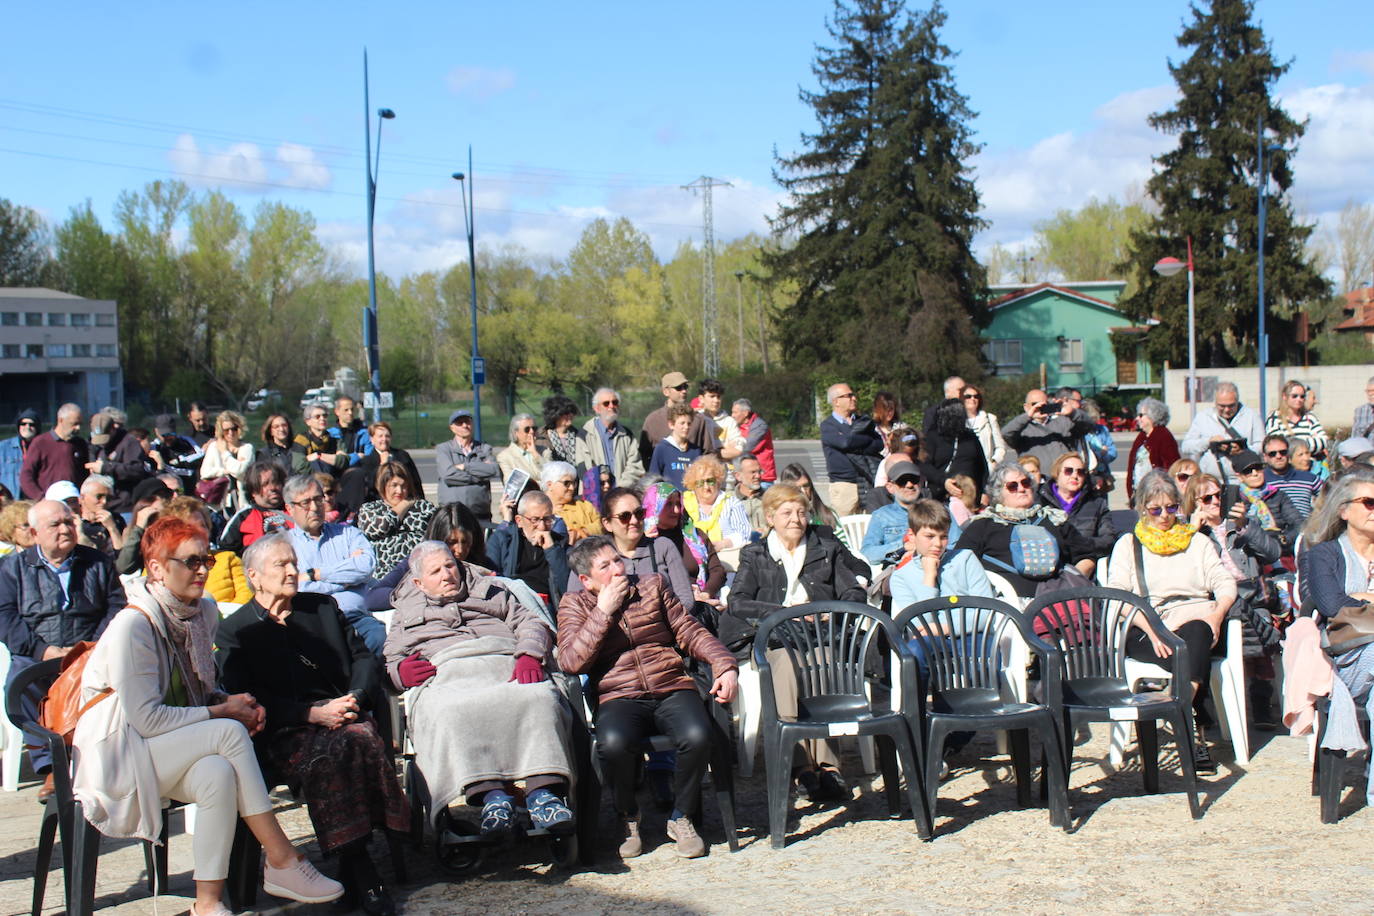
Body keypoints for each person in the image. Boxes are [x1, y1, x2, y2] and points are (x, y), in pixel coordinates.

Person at [72, 518, 344, 916]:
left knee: (217, 771)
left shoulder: (201, 614)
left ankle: (208, 903)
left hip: (168, 747)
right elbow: (146, 720)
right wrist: (223, 712)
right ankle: (283, 858)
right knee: (228, 733)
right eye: (190, 561)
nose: (202, 569)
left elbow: (197, 692)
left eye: (207, 559)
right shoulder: (135, 625)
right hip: (119, 754)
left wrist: (233, 701)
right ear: (157, 568)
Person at [217, 534, 409, 916]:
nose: (292, 571)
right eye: (281, 565)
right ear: (254, 576)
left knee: (356, 736)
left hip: (344, 711)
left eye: (294, 562)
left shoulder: (321, 607)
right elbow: (246, 697)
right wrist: (311, 715)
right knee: (339, 749)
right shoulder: (236, 630)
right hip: (284, 728)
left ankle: (353, 864)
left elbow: (364, 659)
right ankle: (363, 870)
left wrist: (354, 697)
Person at [559, 535, 738, 859]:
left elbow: (689, 630)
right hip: (618, 693)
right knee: (612, 743)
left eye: (617, 559)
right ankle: (628, 815)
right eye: (606, 565)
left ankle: (681, 816)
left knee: (698, 735)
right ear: (586, 580)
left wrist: (724, 664)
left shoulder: (652, 585)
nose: (618, 568)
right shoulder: (575, 604)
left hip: (669, 684)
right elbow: (571, 661)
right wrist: (603, 612)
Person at [386, 540, 576, 839]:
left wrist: (528, 653)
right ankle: (494, 800)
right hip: (450, 672)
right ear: (419, 583)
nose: (447, 574)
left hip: (502, 659)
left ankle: (544, 796)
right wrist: (401, 671)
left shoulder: (490, 590)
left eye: (450, 565)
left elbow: (530, 622)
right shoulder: (405, 611)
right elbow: (391, 659)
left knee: (539, 697)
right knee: (449, 711)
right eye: (436, 571)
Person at [723, 484, 864, 800]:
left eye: (801, 512)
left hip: (820, 635)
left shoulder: (825, 547)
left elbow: (853, 591)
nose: (796, 519)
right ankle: (799, 766)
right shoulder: (755, 554)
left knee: (825, 662)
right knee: (785, 667)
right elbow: (738, 601)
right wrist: (782, 613)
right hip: (777, 637)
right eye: (787, 512)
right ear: (770, 517)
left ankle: (829, 766)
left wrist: (829, 613)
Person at [1105, 470, 1238, 773]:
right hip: (1147, 625)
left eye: (1171, 508)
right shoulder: (1129, 544)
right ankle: (1193, 725)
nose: (1164, 516)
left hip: (1200, 622)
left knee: (1197, 631)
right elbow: (1117, 596)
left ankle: (1179, 707)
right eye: (1155, 509)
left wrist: (1218, 615)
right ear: (1142, 509)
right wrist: (1150, 629)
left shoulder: (1197, 542)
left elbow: (1223, 581)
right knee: (1191, 644)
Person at [0, 498, 126, 794]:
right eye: (55, 524)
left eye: (69, 522)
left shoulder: (97, 562)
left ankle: (99, 760)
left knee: (118, 679)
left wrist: (89, 648)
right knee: (21, 681)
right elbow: (4, 616)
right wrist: (42, 650)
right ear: (34, 534)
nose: (65, 529)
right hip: (38, 653)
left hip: (89, 650)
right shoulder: (12, 568)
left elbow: (116, 607)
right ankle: (53, 765)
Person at [1294, 467, 1374, 803]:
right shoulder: (1324, 554)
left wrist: (1363, 600)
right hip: (1343, 660)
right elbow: (1330, 603)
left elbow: (1347, 603)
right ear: (1344, 510)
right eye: (1369, 502)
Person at [1183, 472, 1284, 725]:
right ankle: (1204, 705)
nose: (1216, 502)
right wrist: (1193, 534)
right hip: (1216, 602)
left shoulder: (1242, 525)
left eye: (1220, 495)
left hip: (1253, 598)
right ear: (1194, 503)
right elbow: (1185, 574)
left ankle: (1260, 701)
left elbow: (1273, 554)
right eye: (1207, 498)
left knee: (1257, 614)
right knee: (1211, 629)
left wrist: (1244, 528)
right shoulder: (1189, 534)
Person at [954, 461, 1094, 598]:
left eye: (1026, 483)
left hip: (1057, 602)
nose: (1021, 489)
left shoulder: (1054, 519)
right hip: (1004, 605)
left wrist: (1070, 586)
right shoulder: (983, 525)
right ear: (998, 492)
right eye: (1012, 486)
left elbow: (1086, 557)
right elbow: (959, 564)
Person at [283, 474, 381, 655]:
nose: (314, 507)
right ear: (289, 508)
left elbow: (365, 567)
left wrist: (314, 574)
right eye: (306, 502)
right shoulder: (284, 545)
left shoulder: (348, 534)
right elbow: (298, 588)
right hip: (312, 625)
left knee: (379, 637)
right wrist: (348, 578)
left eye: (318, 499)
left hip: (356, 618)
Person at [565, 487, 696, 612]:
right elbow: (574, 607)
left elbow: (686, 600)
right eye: (625, 516)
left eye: (639, 513)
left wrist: (655, 621)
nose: (634, 521)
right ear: (607, 523)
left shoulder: (663, 547)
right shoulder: (590, 554)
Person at [366, 502, 492, 610]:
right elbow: (372, 598)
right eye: (451, 542)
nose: (459, 550)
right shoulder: (417, 562)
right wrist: (428, 592)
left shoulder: (484, 564)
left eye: (465, 542)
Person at [890, 498, 994, 610]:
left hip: (973, 628)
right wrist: (929, 577)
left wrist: (944, 627)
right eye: (929, 536)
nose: (938, 544)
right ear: (911, 535)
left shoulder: (965, 559)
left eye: (944, 537)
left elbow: (985, 610)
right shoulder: (901, 578)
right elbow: (919, 623)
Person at [642, 481, 726, 612]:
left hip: (704, 600)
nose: (676, 510)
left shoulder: (695, 536)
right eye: (668, 504)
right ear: (654, 506)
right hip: (668, 607)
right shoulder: (645, 542)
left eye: (678, 503)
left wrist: (705, 594)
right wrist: (689, 597)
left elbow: (717, 570)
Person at [486, 490, 571, 610]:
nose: (542, 527)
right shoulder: (502, 540)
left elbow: (568, 588)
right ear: (519, 521)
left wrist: (552, 551)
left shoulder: (560, 545)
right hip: (513, 606)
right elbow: (491, 581)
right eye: (535, 520)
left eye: (547, 520)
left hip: (549, 607)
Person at [862, 460, 957, 565]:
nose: (909, 485)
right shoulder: (881, 516)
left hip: (938, 566)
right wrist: (903, 545)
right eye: (902, 481)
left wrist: (928, 549)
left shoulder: (940, 511)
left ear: (921, 482)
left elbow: (957, 544)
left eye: (914, 479)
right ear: (890, 487)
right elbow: (867, 553)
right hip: (898, 571)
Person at [1039, 452, 1116, 573]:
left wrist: (1081, 545)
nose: (1075, 476)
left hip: (1083, 566)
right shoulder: (1039, 501)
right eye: (1069, 471)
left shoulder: (1097, 504)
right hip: (1046, 564)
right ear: (1057, 474)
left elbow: (1108, 541)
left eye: (1080, 472)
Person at [357, 461, 437, 577]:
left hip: (418, 573)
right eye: (394, 485)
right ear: (382, 485)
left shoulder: (424, 507)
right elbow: (380, 527)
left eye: (403, 486)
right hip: (383, 576)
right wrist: (403, 505)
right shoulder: (370, 509)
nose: (399, 491)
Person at [819, 382, 885, 516]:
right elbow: (844, 443)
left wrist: (857, 442)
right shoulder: (828, 426)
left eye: (853, 395)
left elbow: (879, 444)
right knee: (846, 530)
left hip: (867, 482)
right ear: (836, 401)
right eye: (849, 396)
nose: (854, 398)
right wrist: (865, 441)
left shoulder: (863, 422)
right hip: (844, 486)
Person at [337, 420, 421, 522]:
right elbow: (369, 485)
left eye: (387, 436)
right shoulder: (366, 462)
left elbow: (415, 481)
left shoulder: (403, 456)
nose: (384, 439)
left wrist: (419, 501)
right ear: (372, 440)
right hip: (380, 508)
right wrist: (382, 465)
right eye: (380, 436)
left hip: (405, 504)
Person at [1000, 388, 1095, 472]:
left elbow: (1088, 425)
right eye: (1035, 404)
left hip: (1063, 480)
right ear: (1026, 407)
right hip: (1035, 481)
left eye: (1044, 404)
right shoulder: (1022, 429)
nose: (1039, 407)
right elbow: (1006, 433)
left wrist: (1073, 413)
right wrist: (1028, 416)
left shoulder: (1063, 422)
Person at [638, 371, 719, 467]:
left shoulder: (698, 419)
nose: (684, 391)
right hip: (662, 480)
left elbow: (708, 453)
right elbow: (644, 455)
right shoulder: (653, 420)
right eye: (679, 388)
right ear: (666, 391)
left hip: (692, 479)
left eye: (685, 387)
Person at [1230, 450, 1302, 555]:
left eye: (1258, 468)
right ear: (1239, 476)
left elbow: (1299, 523)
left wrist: (1284, 539)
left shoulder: (1277, 495)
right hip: (1253, 553)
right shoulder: (1236, 501)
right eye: (1248, 471)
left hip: (1282, 549)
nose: (1255, 474)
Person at [435, 408, 500, 521]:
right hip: (452, 515)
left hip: (480, 513)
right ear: (452, 428)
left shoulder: (484, 448)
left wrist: (465, 467)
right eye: (460, 423)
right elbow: (448, 475)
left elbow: (493, 470)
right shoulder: (444, 449)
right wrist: (479, 477)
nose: (465, 425)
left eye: (467, 421)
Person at [219, 460, 294, 554]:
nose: (273, 488)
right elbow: (225, 551)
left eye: (276, 482)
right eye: (265, 484)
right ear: (253, 491)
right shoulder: (243, 516)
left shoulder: (295, 508)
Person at [84, 408, 152, 513]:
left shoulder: (128, 442)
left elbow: (137, 469)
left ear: (113, 429)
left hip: (124, 506)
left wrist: (105, 468)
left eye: (105, 438)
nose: (102, 443)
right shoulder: (96, 445)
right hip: (103, 505)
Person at [681, 454, 752, 555]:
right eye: (700, 483)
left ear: (718, 481)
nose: (706, 487)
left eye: (710, 481)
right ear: (693, 484)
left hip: (726, 559)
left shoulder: (731, 503)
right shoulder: (683, 502)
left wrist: (722, 544)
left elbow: (744, 534)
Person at [19, 403, 88, 500]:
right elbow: (26, 476)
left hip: (74, 503)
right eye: (74, 424)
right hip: (48, 504)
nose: (78, 428)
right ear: (61, 420)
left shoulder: (80, 444)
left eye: (80, 424)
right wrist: (40, 498)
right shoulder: (41, 443)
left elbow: (85, 475)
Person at [925, 397, 988, 500]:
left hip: (970, 495)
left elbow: (982, 467)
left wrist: (984, 492)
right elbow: (925, 465)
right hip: (941, 495)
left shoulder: (970, 437)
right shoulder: (933, 436)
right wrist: (943, 481)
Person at [583, 388, 645, 488]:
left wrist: (620, 488)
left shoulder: (627, 435)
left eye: (615, 402)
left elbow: (635, 467)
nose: (611, 406)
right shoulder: (585, 434)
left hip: (622, 494)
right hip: (595, 496)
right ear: (597, 408)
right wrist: (604, 487)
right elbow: (586, 468)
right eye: (606, 403)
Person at [199, 410, 255, 515]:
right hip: (218, 503)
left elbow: (240, 472)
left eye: (234, 429)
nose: (230, 433)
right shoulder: (214, 447)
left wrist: (225, 453)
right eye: (226, 430)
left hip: (242, 503)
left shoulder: (247, 448)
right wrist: (225, 471)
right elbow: (205, 472)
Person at [1127, 397, 1180, 502]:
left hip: (1157, 495)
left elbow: (1172, 466)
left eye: (1141, 415)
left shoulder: (1163, 435)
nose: (1137, 418)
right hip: (1140, 494)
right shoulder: (1142, 436)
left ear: (1153, 416)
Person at [1262, 433, 1321, 518]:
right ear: (1265, 457)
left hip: (1304, 528)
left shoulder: (1309, 478)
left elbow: (1330, 497)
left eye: (1283, 452)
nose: (1278, 456)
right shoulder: (1260, 480)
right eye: (1272, 454)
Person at [541, 460, 601, 544]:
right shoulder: (540, 511)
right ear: (550, 485)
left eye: (574, 483)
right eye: (567, 483)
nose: (572, 488)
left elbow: (602, 524)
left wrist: (582, 532)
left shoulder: (584, 506)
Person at [1266, 379, 1328, 456]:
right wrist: (1310, 442)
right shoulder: (1274, 418)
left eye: (1302, 396)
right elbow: (1278, 445)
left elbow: (1324, 441)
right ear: (1285, 396)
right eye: (1294, 396)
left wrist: (1293, 442)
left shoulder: (1310, 417)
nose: (1299, 399)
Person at [648, 405, 704, 490]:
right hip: (670, 500)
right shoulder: (662, 448)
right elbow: (653, 479)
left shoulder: (695, 451)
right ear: (671, 425)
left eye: (689, 423)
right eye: (682, 423)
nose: (686, 427)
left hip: (691, 500)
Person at [152, 414, 207, 489]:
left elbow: (201, 456)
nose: (168, 437)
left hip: (192, 486)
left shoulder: (186, 441)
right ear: (156, 432)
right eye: (164, 435)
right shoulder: (154, 447)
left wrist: (178, 461)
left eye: (171, 434)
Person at [961, 385, 1006, 474]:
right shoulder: (957, 421)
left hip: (987, 470)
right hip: (965, 470)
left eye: (976, 396)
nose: (972, 399)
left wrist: (994, 462)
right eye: (968, 396)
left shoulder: (990, 419)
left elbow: (1000, 446)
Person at [76, 474, 126, 555]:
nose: (104, 502)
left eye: (108, 498)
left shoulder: (116, 520)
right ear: (82, 498)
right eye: (99, 497)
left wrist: (112, 528)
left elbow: (123, 556)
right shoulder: (75, 522)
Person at [731, 398, 777, 484]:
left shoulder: (759, 426)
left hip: (762, 478)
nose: (732, 415)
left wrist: (727, 450)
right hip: (745, 477)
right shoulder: (737, 426)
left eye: (735, 412)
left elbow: (746, 447)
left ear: (745, 413)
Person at [295, 405, 349, 477]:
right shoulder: (300, 440)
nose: (322, 418)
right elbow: (300, 466)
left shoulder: (335, 438)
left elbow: (344, 461)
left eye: (325, 416)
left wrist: (319, 455)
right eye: (317, 416)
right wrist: (332, 459)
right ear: (308, 421)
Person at [0, 409, 41, 500]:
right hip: (11, 500)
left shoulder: (43, 448)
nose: (27, 427)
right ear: (18, 426)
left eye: (32, 424)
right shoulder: (3, 448)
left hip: (35, 500)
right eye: (23, 424)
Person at [697, 379, 742, 460]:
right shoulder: (696, 419)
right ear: (701, 398)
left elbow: (737, 451)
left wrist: (710, 453)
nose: (716, 400)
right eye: (712, 396)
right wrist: (724, 449)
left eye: (718, 396)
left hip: (725, 470)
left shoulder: (729, 422)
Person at [1080, 398, 1118, 493]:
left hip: (1103, 474)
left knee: (1103, 503)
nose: (1094, 423)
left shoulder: (1102, 430)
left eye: (1095, 419)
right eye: (1091, 419)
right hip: (1088, 475)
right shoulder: (1080, 433)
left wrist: (1102, 456)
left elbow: (1113, 452)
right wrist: (1100, 453)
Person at [497, 413, 547, 484]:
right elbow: (512, 483)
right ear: (516, 433)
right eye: (527, 429)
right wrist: (541, 483)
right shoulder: (505, 456)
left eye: (534, 428)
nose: (532, 432)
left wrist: (535, 454)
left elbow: (552, 476)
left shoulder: (545, 450)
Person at [327, 396, 373, 467]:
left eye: (352, 409)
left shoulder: (365, 433)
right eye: (346, 410)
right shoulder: (330, 434)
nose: (350, 413)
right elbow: (328, 460)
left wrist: (342, 458)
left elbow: (369, 458)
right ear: (337, 412)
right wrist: (357, 456)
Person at [734, 455, 768, 536]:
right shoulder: (729, 500)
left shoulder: (769, 497)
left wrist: (766, 530)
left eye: (759, 472)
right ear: (738, 476)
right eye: (753, 472)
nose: (758, 476)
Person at [870, 391, 906, 455]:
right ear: (878, 410)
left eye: (891, 409)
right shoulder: (872, 429)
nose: (890, 413)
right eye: (886, 410)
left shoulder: (902, 427)